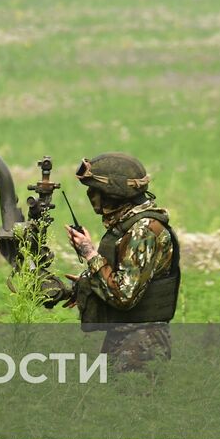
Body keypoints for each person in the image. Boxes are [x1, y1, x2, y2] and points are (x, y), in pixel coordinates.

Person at [63, 152, 181, 371]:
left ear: (112, 193)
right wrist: (85, 284)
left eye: (95, 190)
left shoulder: (143, 230)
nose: (91, 195)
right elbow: (125, 276)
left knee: (132, 402)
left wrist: (89, 253)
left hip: (141, 344)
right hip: (127, 337)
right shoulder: (129, 226)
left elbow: (124, 295)